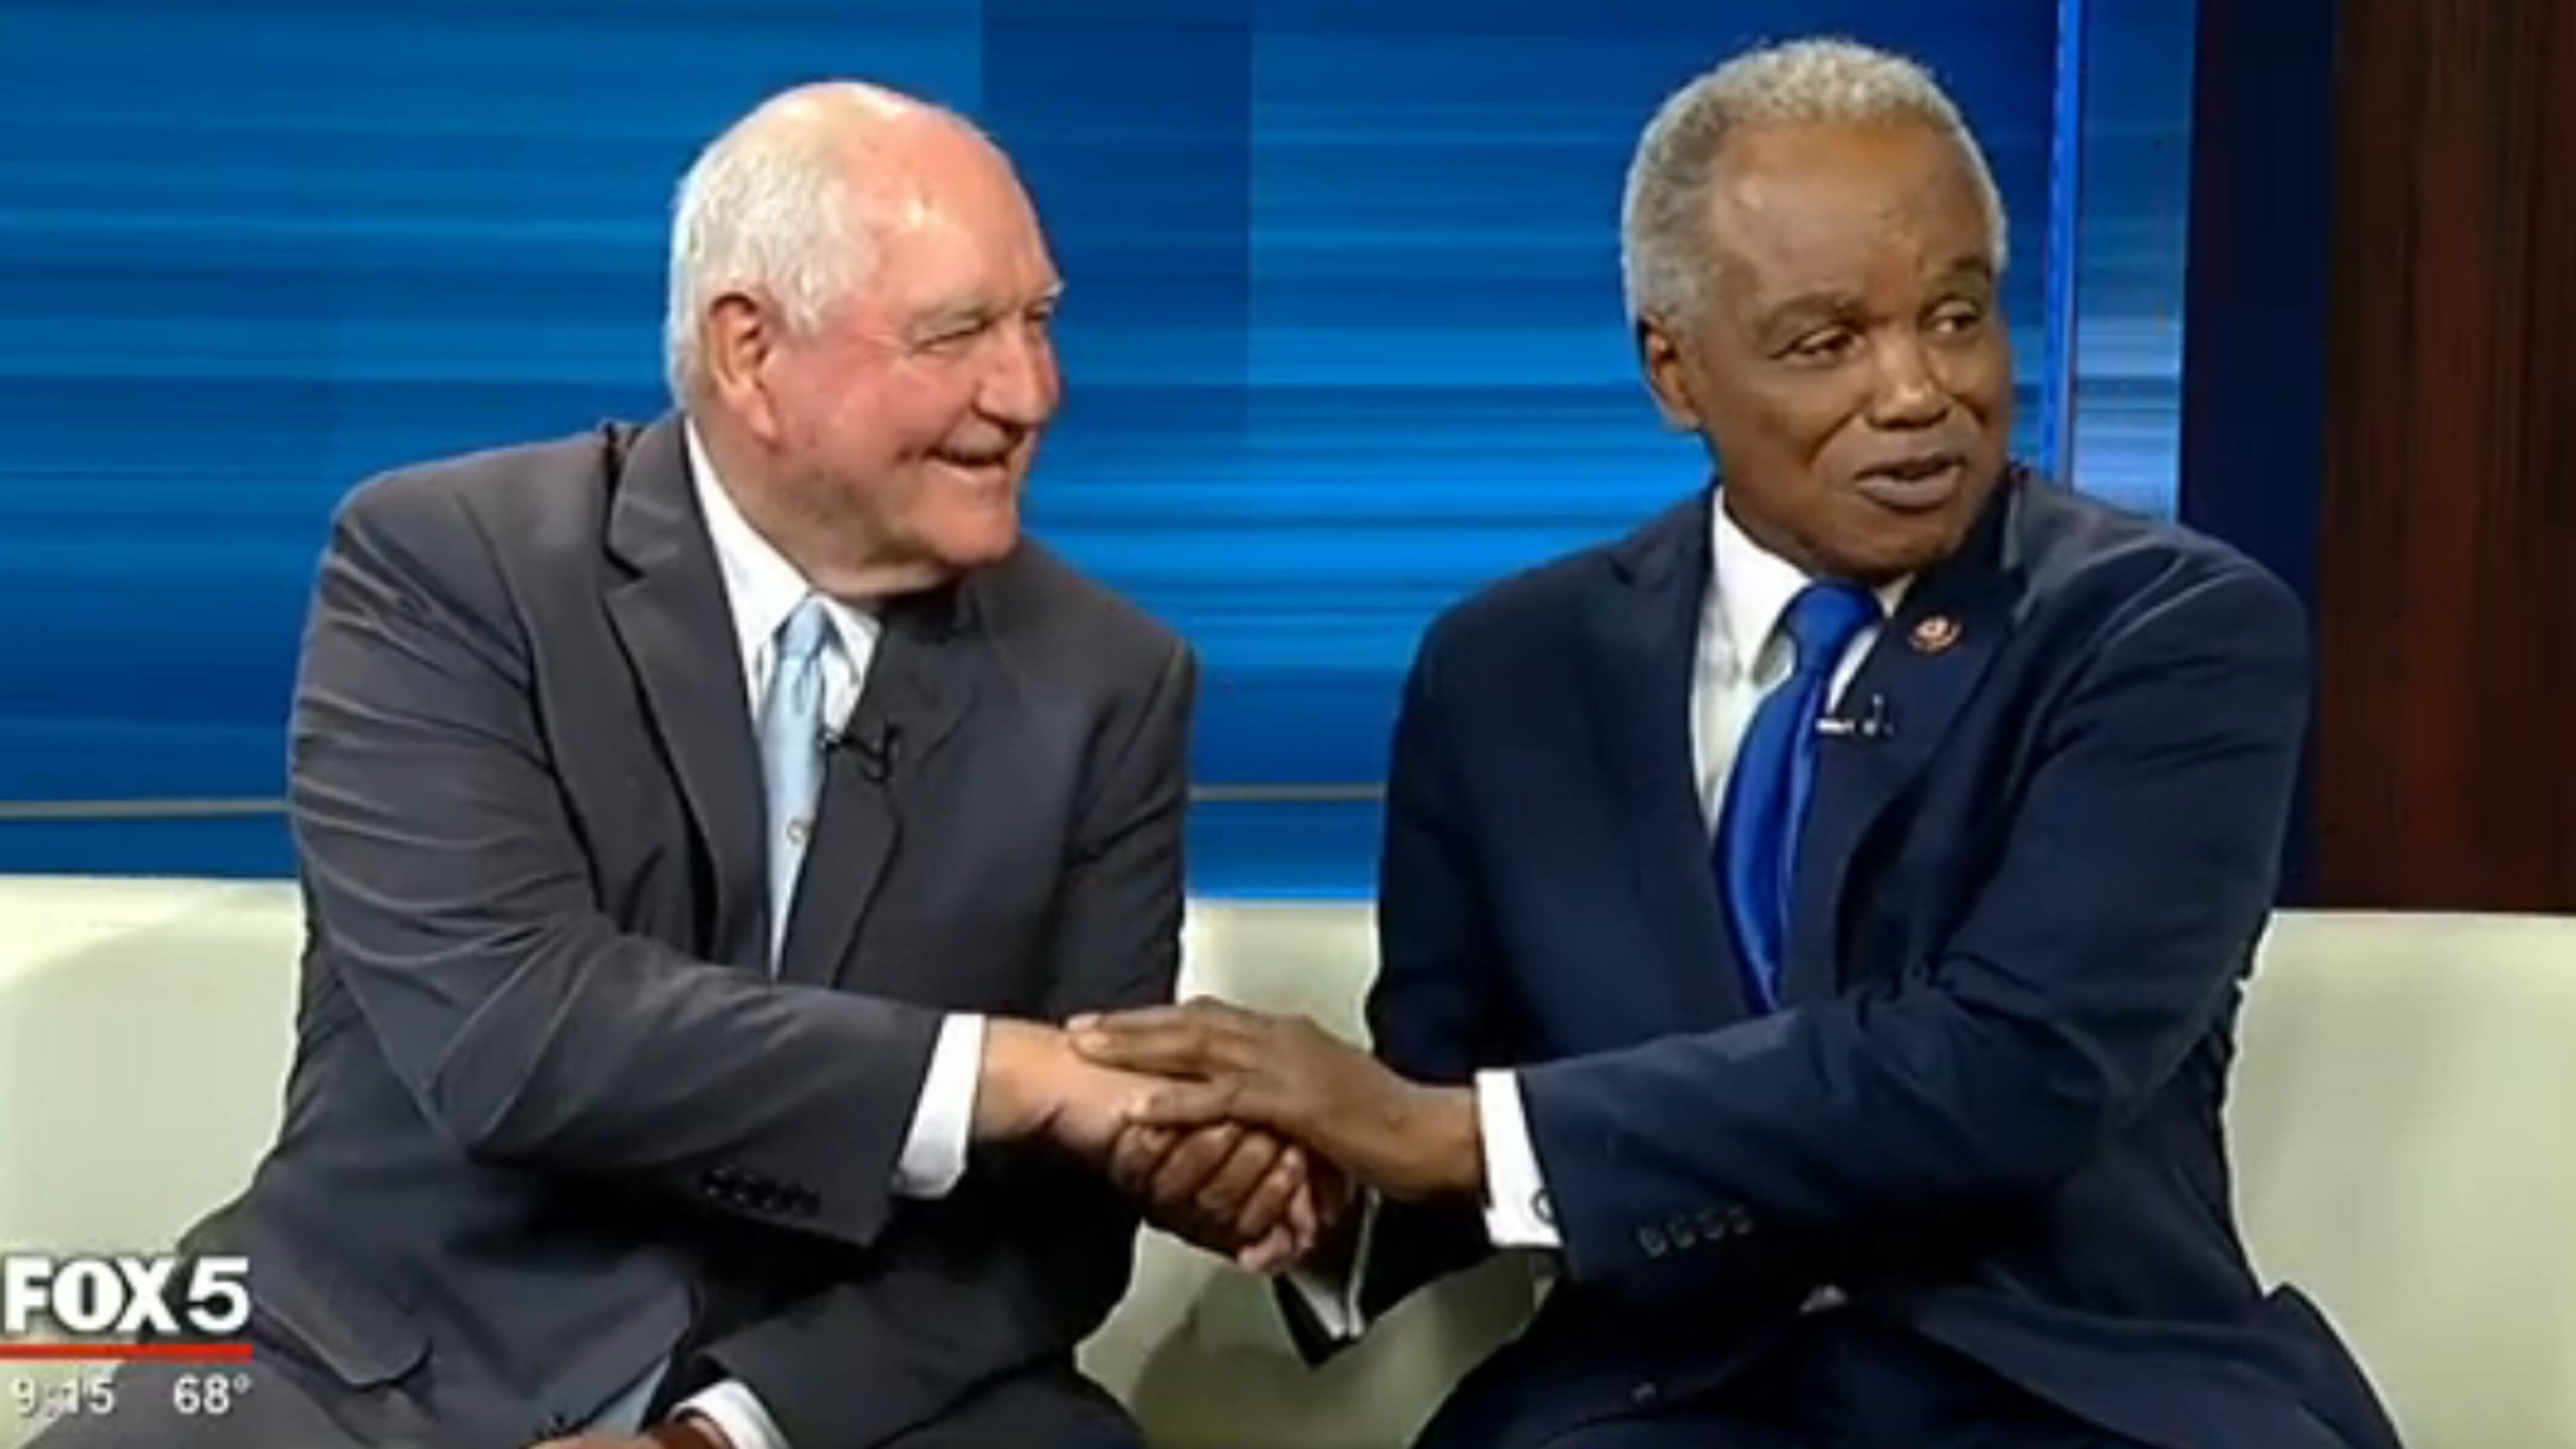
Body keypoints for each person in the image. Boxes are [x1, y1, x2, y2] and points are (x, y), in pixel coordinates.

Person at [1077, 38, 2407, 1449]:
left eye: (1957, 317)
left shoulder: (2168, 632)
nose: (1916, 393)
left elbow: (2013, 1068)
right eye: (1826, 343)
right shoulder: (1510, 672)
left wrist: (1450, 1136)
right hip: (1657, 1403)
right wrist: (1305, 1190)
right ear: (1675, 371)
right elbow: (1443, 1088)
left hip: (2075, 1396)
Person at [32, 82, 1312, 1449]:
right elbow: (514, 1034)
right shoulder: (447, 570)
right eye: (958, 335)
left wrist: (729, 1433)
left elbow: (1053, 1229)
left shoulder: (1109, 682)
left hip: (834, 1400)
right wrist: (1010, 1074)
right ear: (751, 351)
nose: (1029, 393)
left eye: (1039, 321)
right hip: (378, 1366)